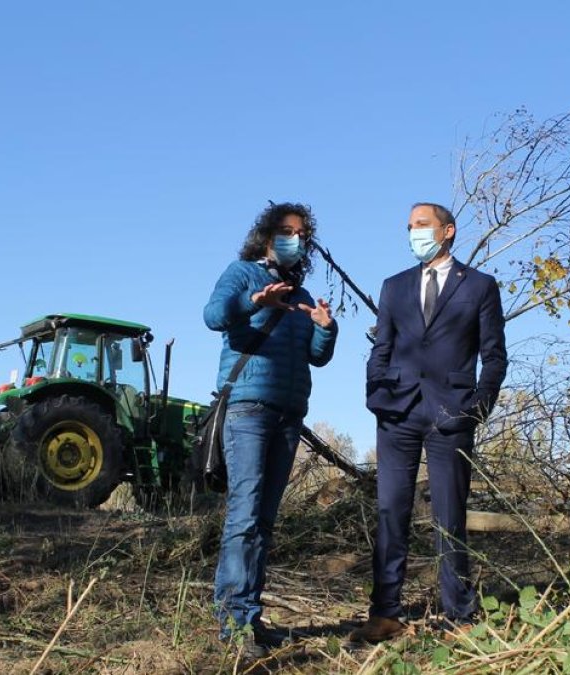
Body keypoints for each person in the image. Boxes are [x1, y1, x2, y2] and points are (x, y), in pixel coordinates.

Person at [350, 202, 507, 643]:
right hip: (397, 413)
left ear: (447, 231)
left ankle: (459, 614)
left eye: (422, 225)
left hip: (451, 413)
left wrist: (476, 407)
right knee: (390, 511)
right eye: (409, 227)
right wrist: (376, 395)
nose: (413, 233)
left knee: (449, 515)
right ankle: (385, 613)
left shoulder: (479, 286)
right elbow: (381, 348)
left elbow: (494, 356)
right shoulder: (394, 286)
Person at [204, 202, 338, 659]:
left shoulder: (302, 296)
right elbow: (214, 315)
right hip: (248, 408)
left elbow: (316, 356)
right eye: (285, 231)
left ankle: (251, 617)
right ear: (266, 237)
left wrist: (325, 328)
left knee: (264, 520)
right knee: (244, 513)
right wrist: (255, 301)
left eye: (301, 234)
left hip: (288, 413)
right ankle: (234, 626)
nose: (293, 239)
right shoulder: (241, 273)